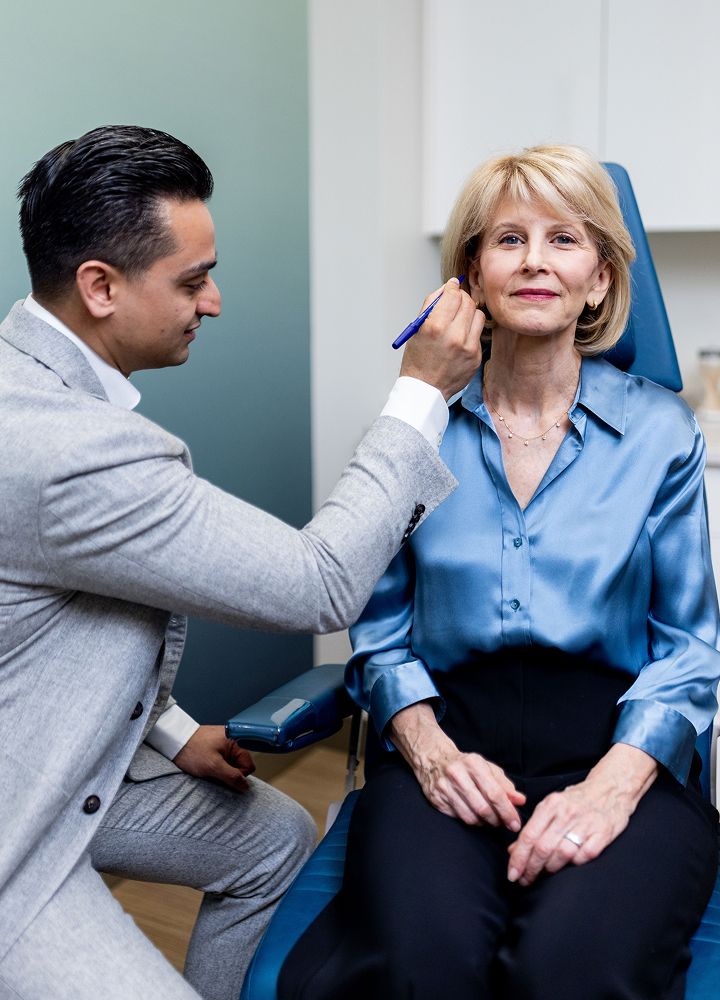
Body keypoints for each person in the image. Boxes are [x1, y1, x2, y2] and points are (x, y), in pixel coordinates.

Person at [0, 125, 484, 1000]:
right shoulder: (63, 450)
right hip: (17, 828)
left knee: (271, 839)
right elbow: (320, 584)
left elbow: (57, 625)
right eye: (192, 281)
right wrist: (421, 391)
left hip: (44, 746)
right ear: (99, 287)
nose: (214, 301)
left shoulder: (30, 386)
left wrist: (175, 734)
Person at [278, 145, 720, 1000]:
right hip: (448, 743)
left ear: (600, 278)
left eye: (565, 239)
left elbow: (691, 649)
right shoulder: (415, 428)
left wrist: (612, 786)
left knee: (571, 972)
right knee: (424, 968)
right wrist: (431, 752)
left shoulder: (664, 433)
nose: (535, 261)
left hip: (616, 746)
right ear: (471, 274)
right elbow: (376, 635)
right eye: (508, 239)